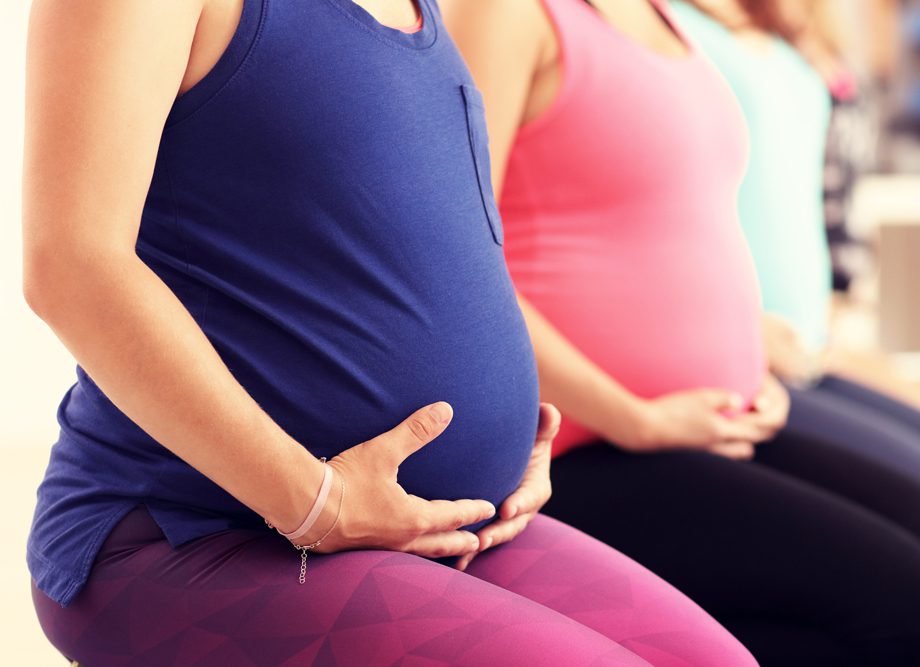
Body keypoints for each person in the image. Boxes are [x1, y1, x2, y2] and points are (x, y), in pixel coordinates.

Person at [21, 1, 753, 665]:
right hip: (197, 530)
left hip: (440, 525)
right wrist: (317, 501)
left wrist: (499, 434)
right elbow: (72, 266)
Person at [443, 1, 920, 665]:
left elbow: (676, 227)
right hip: (584, 445)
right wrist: (633, 419)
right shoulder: (513, 13)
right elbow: (459, 263)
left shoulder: (669, 18)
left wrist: (750, 367)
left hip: (714, 420)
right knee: (910, 613)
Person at [672, 0, 920, 528]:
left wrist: (835, 323)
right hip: (738, 352)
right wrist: (730, 328)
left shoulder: (791, 29)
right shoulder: (666, 25)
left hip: (810, 348)